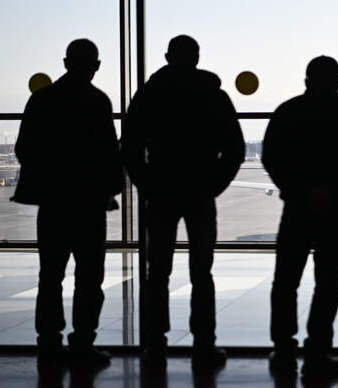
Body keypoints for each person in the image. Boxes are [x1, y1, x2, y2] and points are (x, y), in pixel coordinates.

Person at [122, 35, 245, 370]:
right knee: (202, 272)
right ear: (197, 58)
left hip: (161, 189)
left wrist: (147, 184)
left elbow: (130, 147)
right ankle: (204, 344)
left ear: (167, 57)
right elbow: (234, 149)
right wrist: (213, 185)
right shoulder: (213, 95)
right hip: (199, 190)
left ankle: (155, 345)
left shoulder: (149, 94)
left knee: (157, 272)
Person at [263, 56, 338, 377]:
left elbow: (271, 157)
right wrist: (334, 188)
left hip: (297, 206)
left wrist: (298, 189)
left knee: (286, 281)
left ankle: (283, 350)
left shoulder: (288, 112)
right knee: (329, 283)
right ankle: (317, 352)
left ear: (306, 81)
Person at [13, 39, 123, 366]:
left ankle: (49, 343)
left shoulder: (42, 100)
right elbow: (109, 153)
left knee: (50, 276)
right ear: (96, 66)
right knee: (89, 278)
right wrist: (107, 188)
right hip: (89, 204)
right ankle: (82, 343)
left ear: (65, 62)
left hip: (54, 202)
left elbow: (24, 148)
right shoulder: (98, 101)